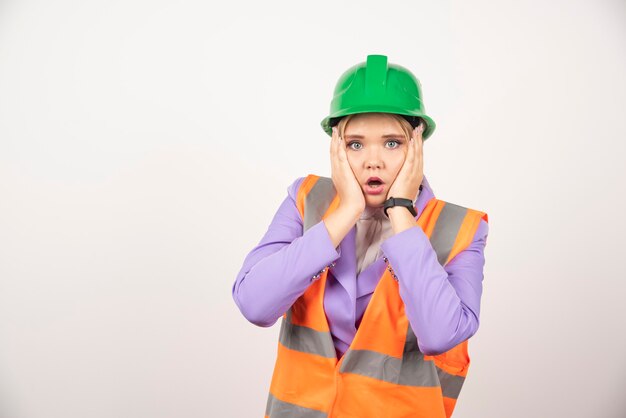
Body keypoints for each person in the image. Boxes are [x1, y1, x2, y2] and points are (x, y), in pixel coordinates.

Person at [232, 54, 489, 418]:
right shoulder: (305, 199)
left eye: (392, 143)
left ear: (417, 146)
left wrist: (401, 211)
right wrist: (345, 211)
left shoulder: (461, 227)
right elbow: (254, 305)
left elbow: (440, 335)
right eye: (355, 144)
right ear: (335, 146)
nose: (373, 161)